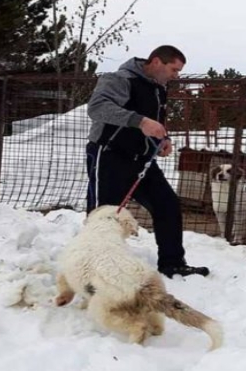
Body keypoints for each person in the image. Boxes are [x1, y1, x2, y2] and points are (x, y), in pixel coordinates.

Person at [85, 45, 210, 278]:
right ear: (156, 62)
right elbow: (98, 108)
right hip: (110, 154)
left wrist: (162, 138)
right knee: (104, 213)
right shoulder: (120, 79)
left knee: (167, 205)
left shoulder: (158, 87)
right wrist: (140, 121)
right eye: (174, 69)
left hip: (142, 159)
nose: (177, 75)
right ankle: (94, 268)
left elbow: (154, 120)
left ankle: (172, 263)